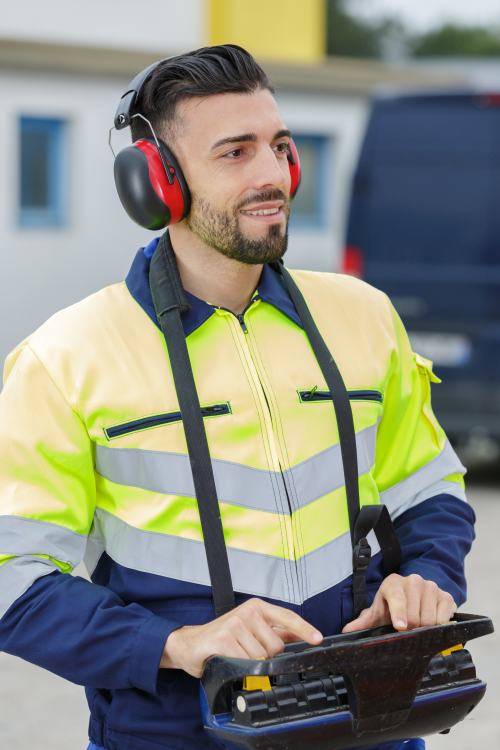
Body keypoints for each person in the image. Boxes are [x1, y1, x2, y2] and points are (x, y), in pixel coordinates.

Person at [0, 45, 474, 750]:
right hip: (173, 735)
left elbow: (428, 488)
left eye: (280, 147)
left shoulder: (364, 315)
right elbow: (14, 581)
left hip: (372, 726)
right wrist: (179, 641)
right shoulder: (66, 356)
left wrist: (424, 576)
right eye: (235, 152)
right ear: (156, 182)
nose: (272, 175)